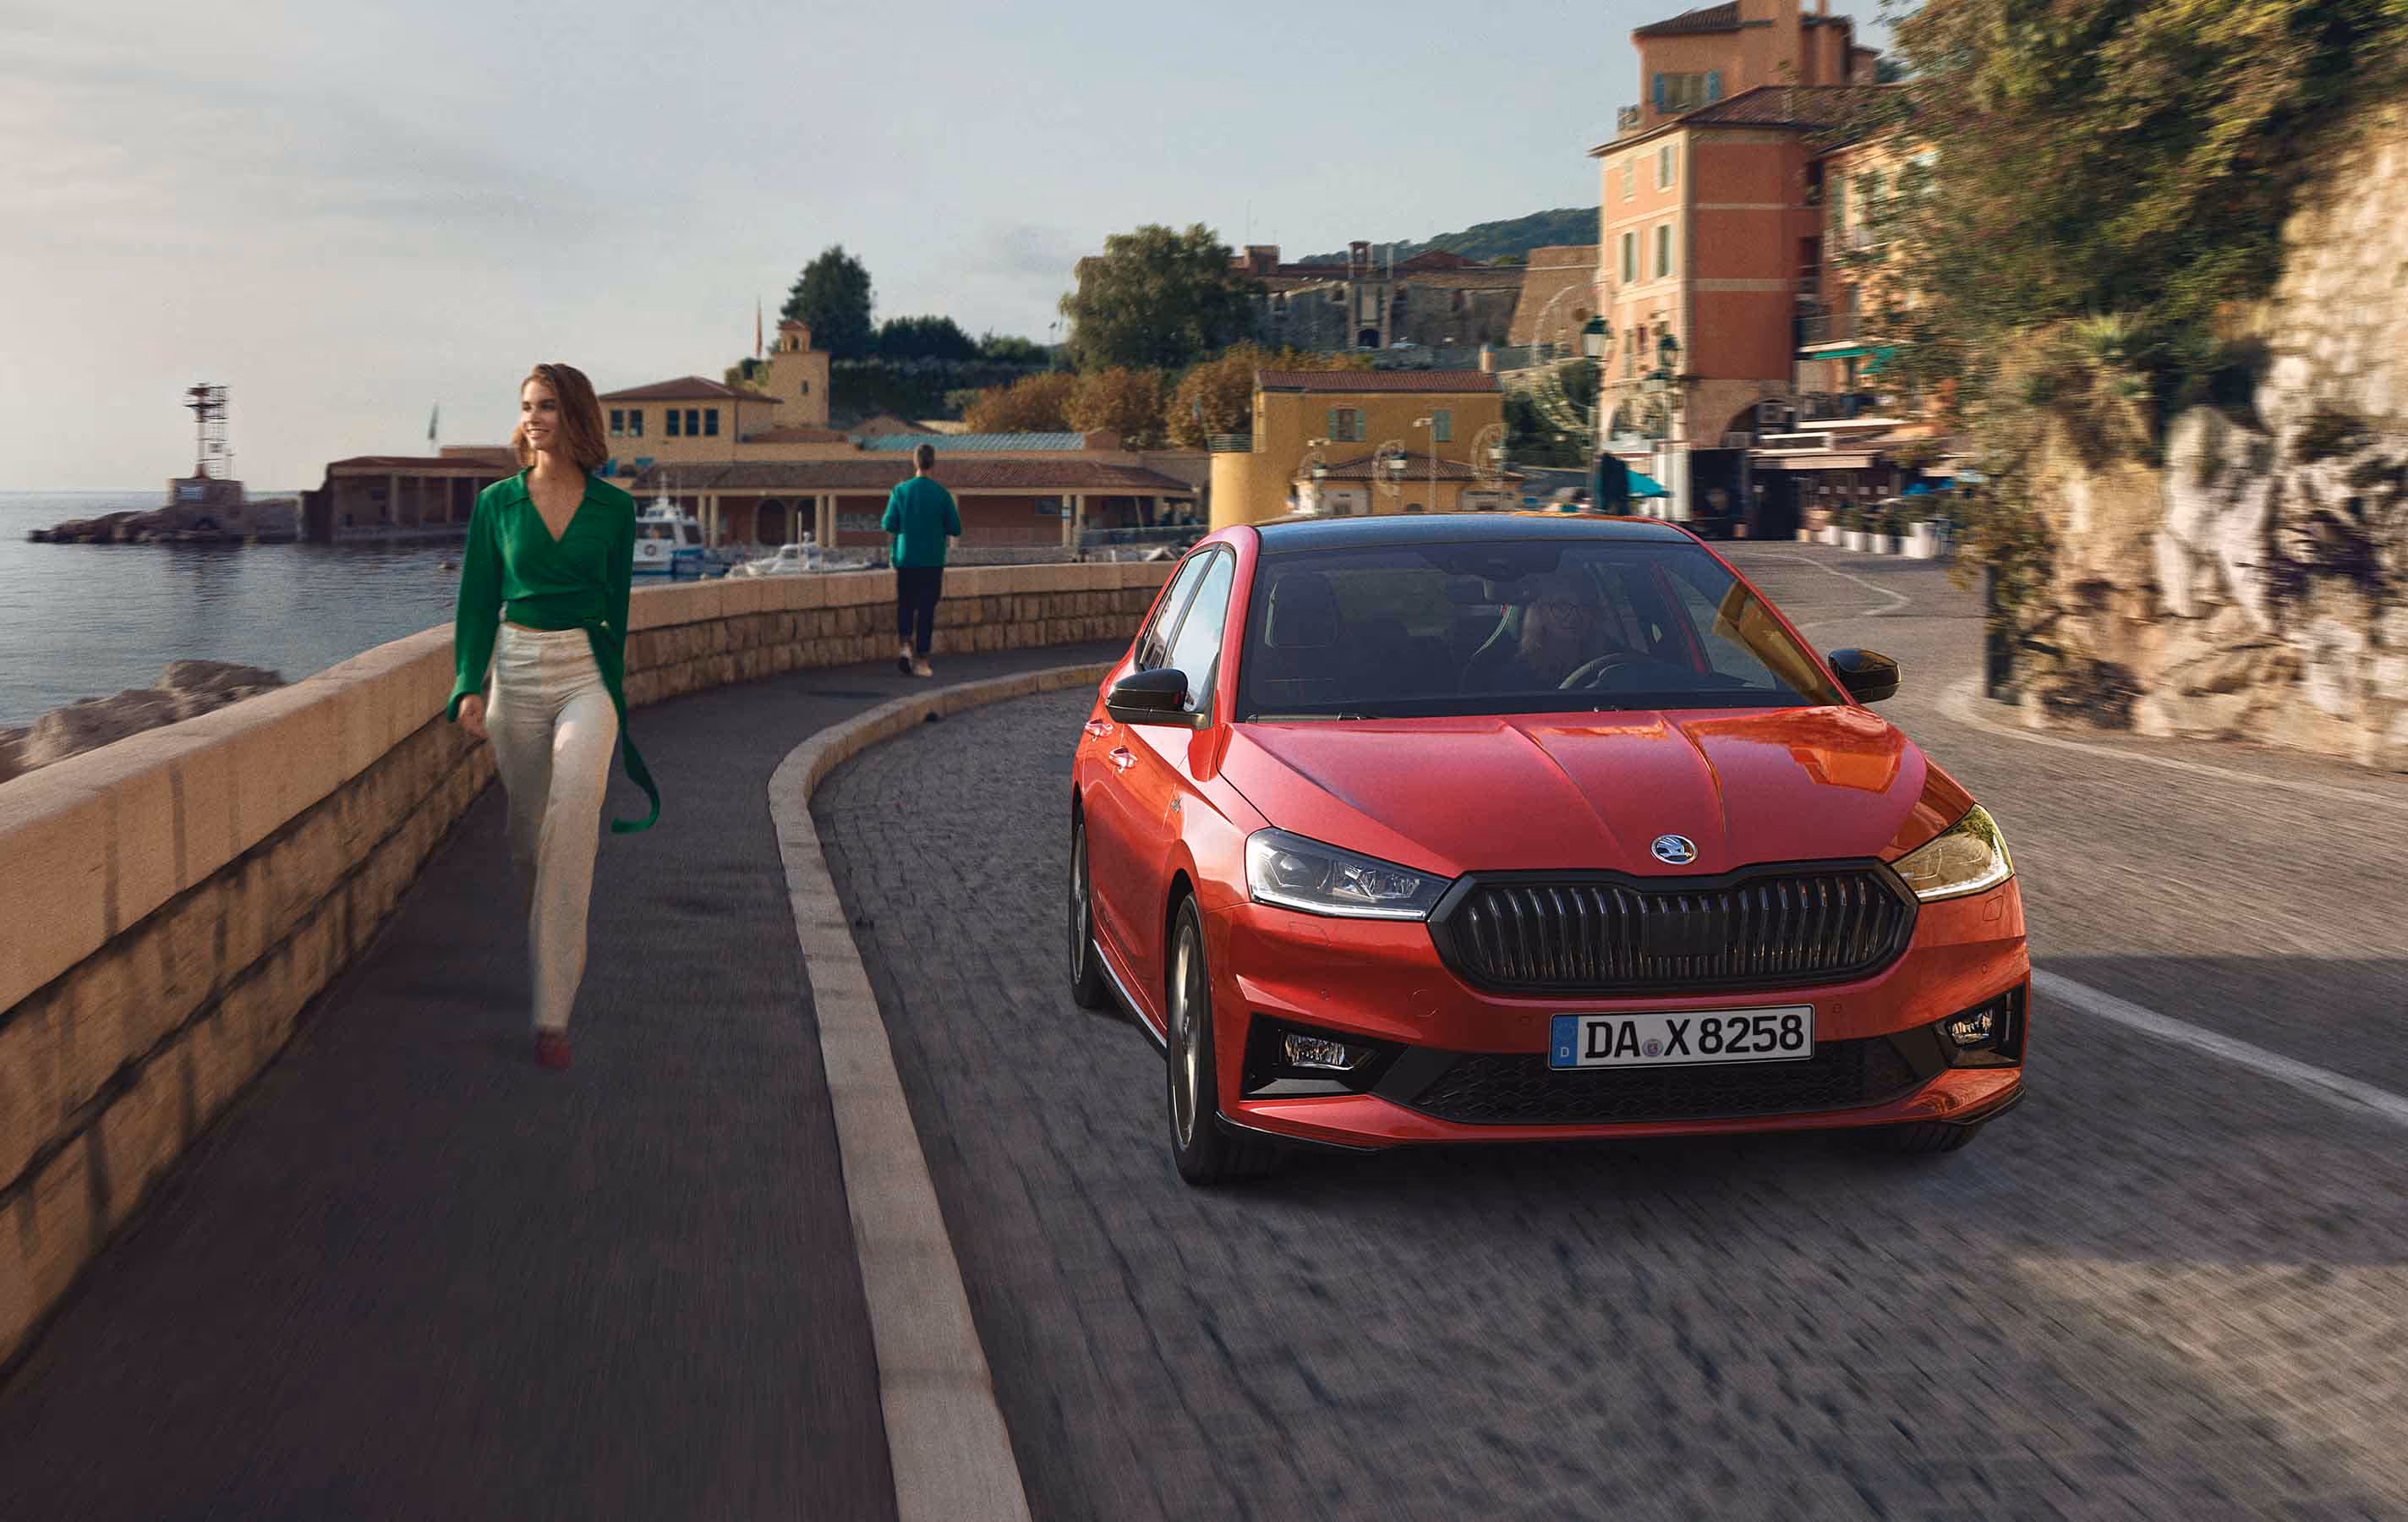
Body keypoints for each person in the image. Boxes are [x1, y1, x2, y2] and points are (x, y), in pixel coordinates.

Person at [447, 363, 659, 1071]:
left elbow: (618, 609)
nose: (533, 418)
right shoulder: (496, 505)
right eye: (526, 407)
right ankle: (549, 946)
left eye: (547, 407)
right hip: (515, 670)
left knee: (572, 821)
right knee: (529, 841)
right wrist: (467, 685)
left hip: (585, 677)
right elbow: (477, 599)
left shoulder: (616, 511)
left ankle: (552, 1015)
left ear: (574, 417)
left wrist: (612, 686)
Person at [1467, 568, 1623, 692]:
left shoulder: (1615, 660)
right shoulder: (1514, 677)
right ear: (1539, 612)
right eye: (1562, 606)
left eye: (1585, 605)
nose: (1575, 615)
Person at [882, 442, 961, 677]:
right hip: (932, 561)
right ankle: (923, 661)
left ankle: (905, 647)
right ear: (933, 463)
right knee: (926, 610)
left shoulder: (900, 491)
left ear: (914, 463)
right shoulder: (941, 494)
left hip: (906, 559)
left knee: (905, 605)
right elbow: (955, 528)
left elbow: (888, 524)